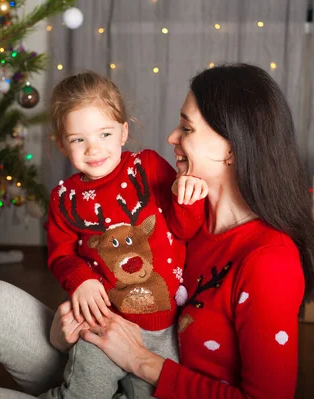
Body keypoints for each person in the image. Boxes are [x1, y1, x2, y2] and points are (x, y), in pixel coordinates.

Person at [0, 63, 314, 399]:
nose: (172, 137)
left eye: (187, 128)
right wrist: (70, 329)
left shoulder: (268, 260)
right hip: (108, 355)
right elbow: (86, 261)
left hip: (150, 379)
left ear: (232, 148)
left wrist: (141, 360)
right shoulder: (196, 219)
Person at [42, 71, 206, 399]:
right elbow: (61, 254)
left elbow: (184, 228)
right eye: (78, 140)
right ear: (62, 144)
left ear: (123, 132)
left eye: (104, 134)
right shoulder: (65, 198)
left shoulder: (147, 167)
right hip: (104, 325)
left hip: (165, 330)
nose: (93, 149)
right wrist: (81, 279)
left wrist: (189, 197)